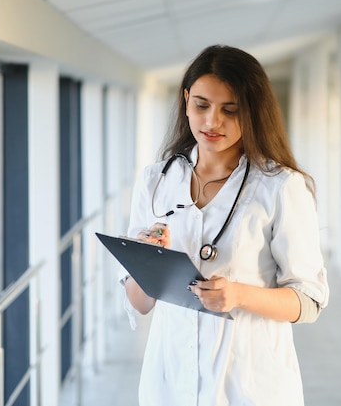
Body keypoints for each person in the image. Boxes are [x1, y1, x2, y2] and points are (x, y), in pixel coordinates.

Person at [121, 44, 329, 406]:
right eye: (201, 105)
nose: (212, 122)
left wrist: (239, 295)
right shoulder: (155, 181)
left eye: (229, 110)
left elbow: (308, 301)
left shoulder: (280, 187)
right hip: (169, 384)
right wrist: (146, 260)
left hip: (250, 387)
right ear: (186, 100)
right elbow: (139, 303)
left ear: (252, 113)